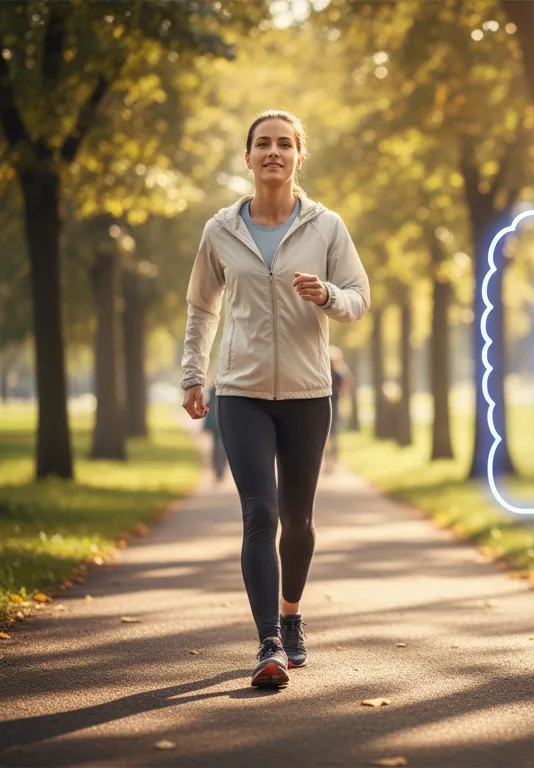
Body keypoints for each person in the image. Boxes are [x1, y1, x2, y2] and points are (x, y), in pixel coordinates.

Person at [179, 110, 371, 688]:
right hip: (240, 393)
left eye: (284, 144)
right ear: (248, 157)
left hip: (310, 393)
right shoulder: (220, 231)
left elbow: (360, 297)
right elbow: (201, 308)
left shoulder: (326, 227)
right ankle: (268, 643)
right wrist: (194, 374)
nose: (273, 153)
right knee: (259, 512)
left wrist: (329, 294)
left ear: (298, 157)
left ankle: (291, 615)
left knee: (299, 520)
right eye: (262, 144)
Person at [202, 383, 227, 484]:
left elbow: (208, 407)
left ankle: (218, 470)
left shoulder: (215, 390)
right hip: (219, 425)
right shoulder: (223, 389)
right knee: (220, 448)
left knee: (218, 448)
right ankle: (219, 470)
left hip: (218, 425)